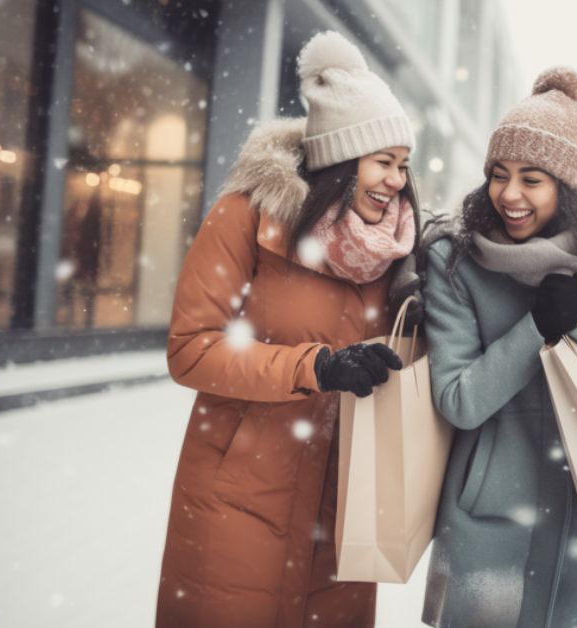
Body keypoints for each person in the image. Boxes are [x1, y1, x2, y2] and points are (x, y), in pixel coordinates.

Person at [155, 31, 421, 628]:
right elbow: (189, 350)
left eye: (403, 166)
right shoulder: (246, 218)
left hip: (343, 498)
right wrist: (315, 367)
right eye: (383, 163)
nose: (397, 181)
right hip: (239, 491)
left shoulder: (397, 250)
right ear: (342, 158)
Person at [419, 68, 577, 628]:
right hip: (490, 519)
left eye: (531, 178)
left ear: (567, 186)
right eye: (498, 174)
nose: (508, 195)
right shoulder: (455, 258)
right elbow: (458, 398)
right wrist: (535, 327)